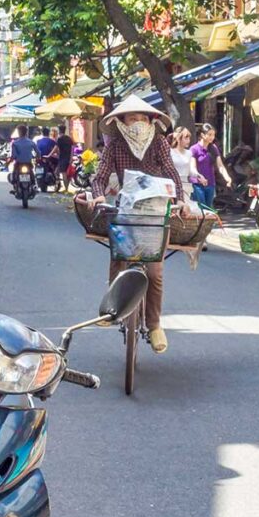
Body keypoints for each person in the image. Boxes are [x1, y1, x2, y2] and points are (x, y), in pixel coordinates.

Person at [87, 95, 186, 355]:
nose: (138, 122)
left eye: (143, 118)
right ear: (121, 121)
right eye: (132, 118)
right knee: (118, 259)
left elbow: (172, 174)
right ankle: (114, 308)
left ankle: (154, 325)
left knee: (154, 271)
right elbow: (99, 176)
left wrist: (181, 200)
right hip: (126, 212)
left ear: (151, 120)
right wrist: (98, 195)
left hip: (155, 214)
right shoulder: (115, 145)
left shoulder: (159, 143)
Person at [189, 124, 232, 208]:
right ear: (202, 135)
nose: (212, 137)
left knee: (209, 209)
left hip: (210, 184)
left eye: (213, 135)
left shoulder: (213, 148)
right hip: (197, 184)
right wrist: (199, 176)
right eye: (210, 134)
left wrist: (227, 177)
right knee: (201, 208)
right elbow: (192, 168)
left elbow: (220, 166)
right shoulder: (194, 149)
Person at [170, 127, 197, 198]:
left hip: (185, 185)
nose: (188, 140)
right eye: (186, 138)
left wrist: (198, 175)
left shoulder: (189, 153)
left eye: (189, 138)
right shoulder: (170, 152)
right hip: (172, 185)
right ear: (178, 138)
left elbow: (191, 170)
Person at [10, 125, 37, 193]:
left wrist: (9, 161)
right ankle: (34, 185)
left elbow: (13, 155)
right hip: (28, 163)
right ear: (26, 132)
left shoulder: (15, 143)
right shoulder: (31, 142)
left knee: (14, 175)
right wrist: (38, 157)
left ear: (19, 132)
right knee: (31, 173)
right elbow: (38, 152)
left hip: (19, 163)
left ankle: (15, 186)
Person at [56, 126, 75, 193]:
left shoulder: (59, 139)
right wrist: (71, 157)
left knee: (63, 173)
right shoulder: (69, 139)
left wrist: (49, 155)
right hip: (68, 158)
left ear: (59, 131)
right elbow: (72, 148)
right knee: (68, 174)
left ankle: (66, 189)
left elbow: (56, 149)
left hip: (62, 158)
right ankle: (66, 187)